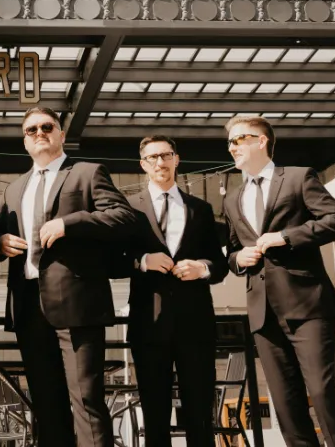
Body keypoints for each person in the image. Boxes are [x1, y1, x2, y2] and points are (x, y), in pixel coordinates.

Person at [0, 107, 134, 447]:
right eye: (31, 130)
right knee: (46, 404)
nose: (39, 133)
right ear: (25, 141)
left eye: (47, 127)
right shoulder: (14, 189)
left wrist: (69, 223)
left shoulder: (86, 172)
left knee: (86, 400)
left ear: (60, 133)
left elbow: (123, 216)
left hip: (78, 305)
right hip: (29, 306)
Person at [220, 115, 335, 447]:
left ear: (261, 141)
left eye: (239, 139)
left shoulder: (298, 178)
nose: (232, 147)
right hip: (263, 314)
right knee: (285, 403)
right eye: (229, 142)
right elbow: (234, 250)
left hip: (307, 304)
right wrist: (237, 260)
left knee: (322, 392)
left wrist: (286, 236)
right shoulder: (231, 198)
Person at [111, 135, 226, 447]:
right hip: (148, 324)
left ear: (177, 159)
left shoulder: (200, 209)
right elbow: (112, 261)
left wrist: (201, 269)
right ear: (142, 165)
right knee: (155, 413)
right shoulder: (127, 207)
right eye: (152, 158)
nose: (159, 163)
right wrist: (143, 262)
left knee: (200, 412)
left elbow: (220, 263)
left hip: (196, 323)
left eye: (165, 155)